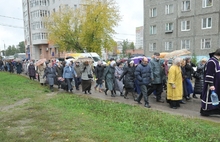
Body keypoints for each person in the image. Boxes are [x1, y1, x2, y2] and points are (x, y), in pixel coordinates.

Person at [200, 49, 220, 116]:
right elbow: (209, 74)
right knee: (209, 96)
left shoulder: (216, 61)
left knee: (215, 97)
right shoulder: (212, 61)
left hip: (216, 83)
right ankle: (206, 110)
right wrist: (211, 84)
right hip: (211, 83)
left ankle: (214, 109)